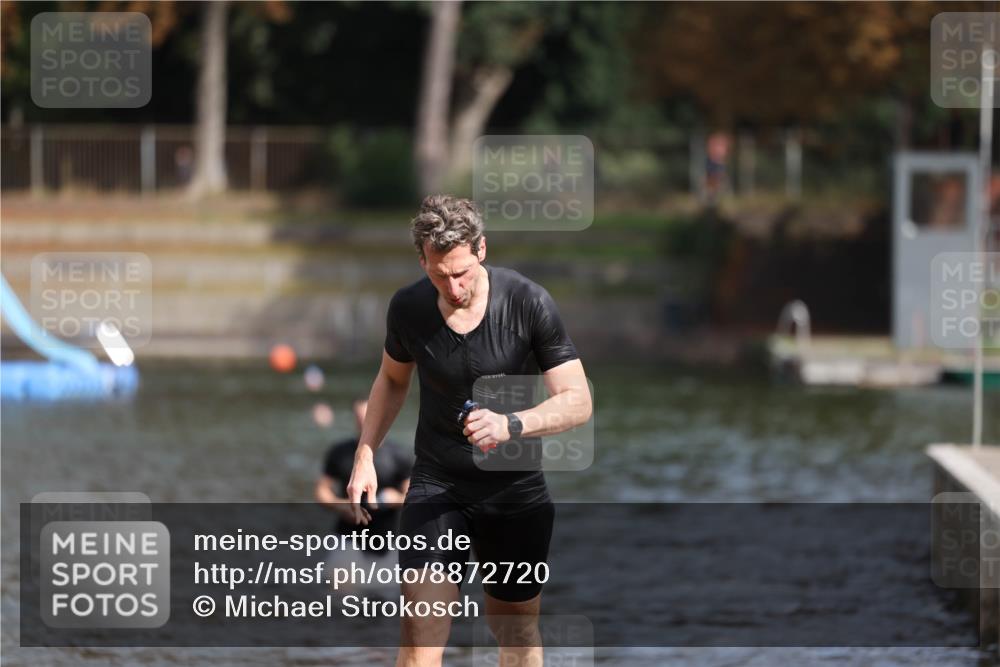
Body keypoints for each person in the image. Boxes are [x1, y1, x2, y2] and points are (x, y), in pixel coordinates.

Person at [346, 195, 593, 667]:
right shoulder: (409, 308)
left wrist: (512, 423)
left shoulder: (528, 303)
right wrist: (365, 454)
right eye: (440, 275)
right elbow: (393, 380)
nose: (454, 287)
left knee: (515, 633)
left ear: (481, 249)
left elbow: (578, 402)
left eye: (461, 272)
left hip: (514, 489)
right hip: (438, 482)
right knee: (420, 632)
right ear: (422, 260)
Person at [315, 397, 412, 593]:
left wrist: (398, 499)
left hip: (387, 538)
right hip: (348, 536)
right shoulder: (339, 452)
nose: (363, 422)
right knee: (340, 590)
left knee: (392, 597)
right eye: (359, 417)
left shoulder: (399, 454)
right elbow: (321, 491)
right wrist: (339, 504)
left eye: (368, 417)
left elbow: (414, 496)